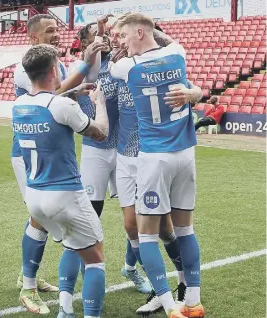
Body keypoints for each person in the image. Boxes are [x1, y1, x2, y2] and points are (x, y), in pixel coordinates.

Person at [110, 13, 204, 318]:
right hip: (185, 154)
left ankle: (168, 306)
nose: (122, 42)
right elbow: (166, 42)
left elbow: (114, 64)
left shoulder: (126, 67)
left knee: (147, 234)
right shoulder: (177, 54)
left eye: (124, 35)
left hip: (153, 158)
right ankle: (193, 301)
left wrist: (129, 42)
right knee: (185, 230)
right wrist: (193, 94)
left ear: (139, 32)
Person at [12, 13, 106, 314]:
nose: (56, 34)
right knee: (40, 221)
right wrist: (86, 62)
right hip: (33, 156)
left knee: (46, 221)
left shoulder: (53, 67)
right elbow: (54, 94)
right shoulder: (22, 67)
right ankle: (27, 282)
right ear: (33, 37)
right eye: (49, 31)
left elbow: (57, 92)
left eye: (57, 29)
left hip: (44, 148)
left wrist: (74, 87)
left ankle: (34, 280)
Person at [72, 15, 151, 296]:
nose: (103, 38)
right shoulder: (79, 69)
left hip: (123, 151)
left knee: (135, 221)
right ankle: (88, 278)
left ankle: (131, 268)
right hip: (95, 152)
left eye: (104, 35)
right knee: (91, 218)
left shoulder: (117, 65)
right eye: (96, 34)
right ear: (84, 42)